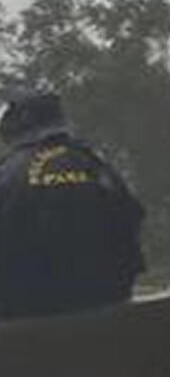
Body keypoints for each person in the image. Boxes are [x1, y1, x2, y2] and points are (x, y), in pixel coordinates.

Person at [0, 89, 145, 319]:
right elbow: (133, 223)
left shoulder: (8, 176)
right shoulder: (98, 166)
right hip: (109, 324)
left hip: (27, 332)